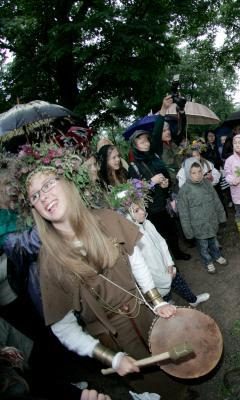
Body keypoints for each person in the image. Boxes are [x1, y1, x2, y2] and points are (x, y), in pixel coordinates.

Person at [19, 149, 181, 397]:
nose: (44, 197)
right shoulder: (49, 262)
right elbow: (63, 327)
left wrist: (156, 302)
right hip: (111, 337)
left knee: (170, 362)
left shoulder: (106, 219)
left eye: (49, 184)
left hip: (144, 312)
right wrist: (110, 357)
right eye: (35, 195)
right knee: (151, 387)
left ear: (68, 184)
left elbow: (136, 261)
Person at [106, 180, 210, 307]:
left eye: (142, 207)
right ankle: (168, 302)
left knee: (180, 283)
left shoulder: (147, 224)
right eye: (137, 210)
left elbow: (161, 242)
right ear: (128, 215)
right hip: (157, 280)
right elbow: (144, 268)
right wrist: (166, 279)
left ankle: (193, 300)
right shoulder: (132, 239)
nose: (143, 212)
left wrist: (169, 263)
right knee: (163, 298)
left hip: (167, 268)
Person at [128, 129, 191, 260]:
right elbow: (136, 191)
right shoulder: (133, 166)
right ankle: (168, 263)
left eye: (147, 141)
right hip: (151, 209)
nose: (146, 144)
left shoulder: (154, 157)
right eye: (141, 142)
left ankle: (177, 254)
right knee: (159, 238)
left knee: (172, 232)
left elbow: (165, 174)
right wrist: (152, 182)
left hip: (164, 202)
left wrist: (165, 183)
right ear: (135, 146)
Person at [178, 157, 227, 274]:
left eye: (199, 171)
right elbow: (183, 213)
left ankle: (216, 255)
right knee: (203, 247)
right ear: (187, 174)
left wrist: (221, 216)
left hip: (211, 221)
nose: (198, 175)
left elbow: (216, 201)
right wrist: (188, 231)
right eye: (193, 173)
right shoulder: (184, 191)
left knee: (214, 242)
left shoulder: (207, 184)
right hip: (198, 226)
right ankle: (208, 261)